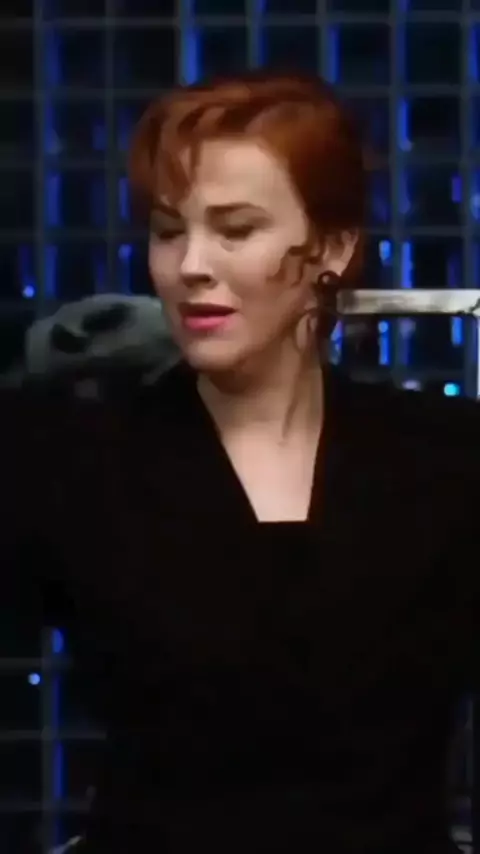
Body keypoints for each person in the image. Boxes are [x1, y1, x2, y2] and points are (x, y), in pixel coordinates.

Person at [2, 70, 479, 854]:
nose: (191, 264)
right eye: (168, 231)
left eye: (234, 230)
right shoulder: (70, 458)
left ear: (331, 248)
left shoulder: (450, 461)